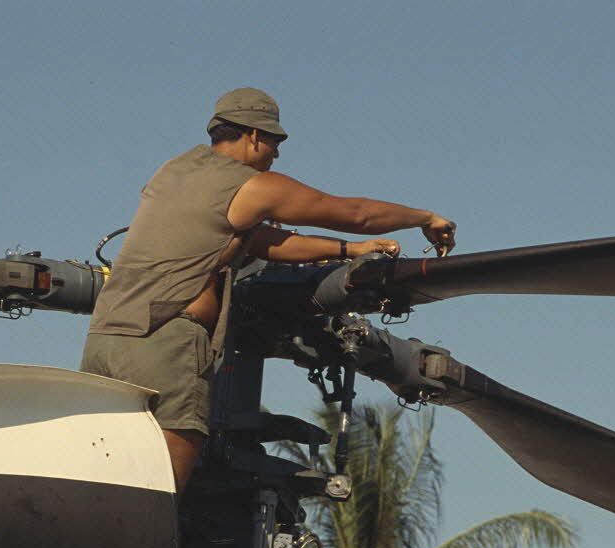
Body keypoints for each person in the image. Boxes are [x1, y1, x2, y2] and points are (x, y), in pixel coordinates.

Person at [82, 87, 456, 492]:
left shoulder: (175, 171)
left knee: (106, 486)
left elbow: (260, 242)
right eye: (275, 143)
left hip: (106, 339)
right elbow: (356, 214)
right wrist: (424, 217)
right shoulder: (251, 185)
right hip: (166, 342)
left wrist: (349, 251)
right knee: (159, 497)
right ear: (255, 135)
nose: (276, 155)